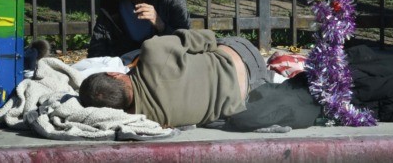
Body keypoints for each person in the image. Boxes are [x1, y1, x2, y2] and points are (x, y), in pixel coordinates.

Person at [80, 29, 321, 130]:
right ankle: (285, 60)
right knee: (207, 46)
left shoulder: (149, 120)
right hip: (242, 54)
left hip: (251, 92)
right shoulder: (152, 52)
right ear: (114, 73)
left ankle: (280, 70)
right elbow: (205, 38)